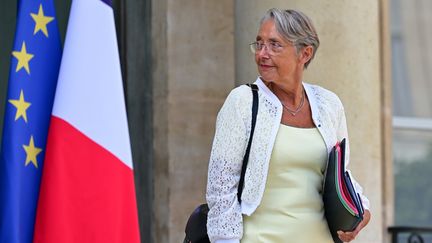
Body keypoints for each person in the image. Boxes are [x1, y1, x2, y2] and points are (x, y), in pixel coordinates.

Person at [205, 8, 371, 243]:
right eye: (259, 43)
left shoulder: (329, 104)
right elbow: (221, 188)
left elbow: (341, 175)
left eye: (275, 45)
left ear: (305, 53)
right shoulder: (242, 101)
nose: (262, 53)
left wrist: (361, 210)